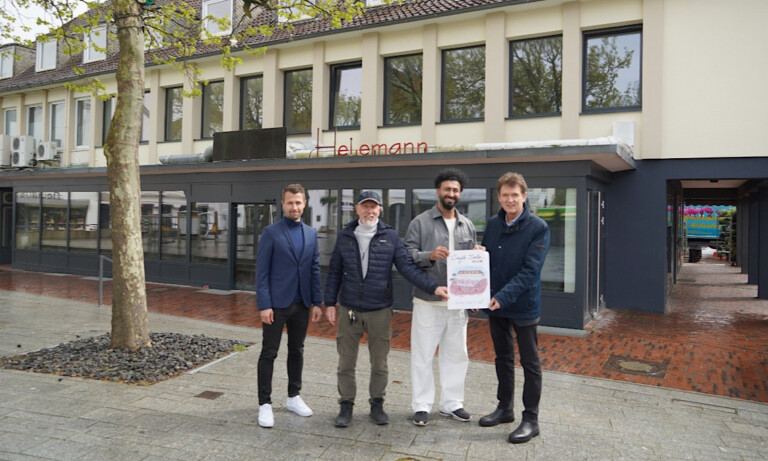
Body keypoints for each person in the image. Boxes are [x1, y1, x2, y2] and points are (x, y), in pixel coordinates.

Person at [324, 190, 448, 428]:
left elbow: (408, 268)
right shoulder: (345, 236)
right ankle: (346, 405)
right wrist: (329, 303)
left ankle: (377, 404)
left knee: (379, 363)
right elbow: (335, 272)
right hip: (349, 310)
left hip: (379, 310)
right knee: (346, 363)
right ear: (357, 209)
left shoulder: (390, 237)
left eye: (374, 207)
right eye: (365, 206)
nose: (369, 211)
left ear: (380, 210)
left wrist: (433, 288)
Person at [404, 168, 480, 427]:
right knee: (423, 354)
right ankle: (422, 405)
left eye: (455, 190)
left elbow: (471, 265)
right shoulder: (421, 222)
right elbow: (407, 255)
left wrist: (478, 254)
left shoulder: (467, 224)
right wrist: (430, 255)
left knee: (457, 354)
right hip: (428, 300)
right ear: (438, 191)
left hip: (458, 304)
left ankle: (452, 403)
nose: (451, 194)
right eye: (447, 189)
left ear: (460, 193)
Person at [479, 172, 550, 444]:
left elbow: (530, 271)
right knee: (502, 358)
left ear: (524, 196)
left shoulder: (538, 227)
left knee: (530, 363)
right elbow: (485, 263)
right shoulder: (493, 224)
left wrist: (502, 296)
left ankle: (531, 420)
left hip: (523, 306)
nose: (510, 200)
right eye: (505, 195)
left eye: (515, 195)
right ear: (499, 197)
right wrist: (477, 255)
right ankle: (504, 408)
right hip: (495, 303)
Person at [255, 184, 323, 428]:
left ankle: (294, 396)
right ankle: (265, 404)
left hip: (302, 304)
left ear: (304, 204)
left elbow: (314, 270)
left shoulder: (311, 234)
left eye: (298, 202)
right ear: (282, 205)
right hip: (276, 305)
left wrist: (317, 302)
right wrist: (264, 304)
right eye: (290, 202)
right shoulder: (271, 233)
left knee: (297, 351)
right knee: (269, 353)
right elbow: (261, 273)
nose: (294, 207)